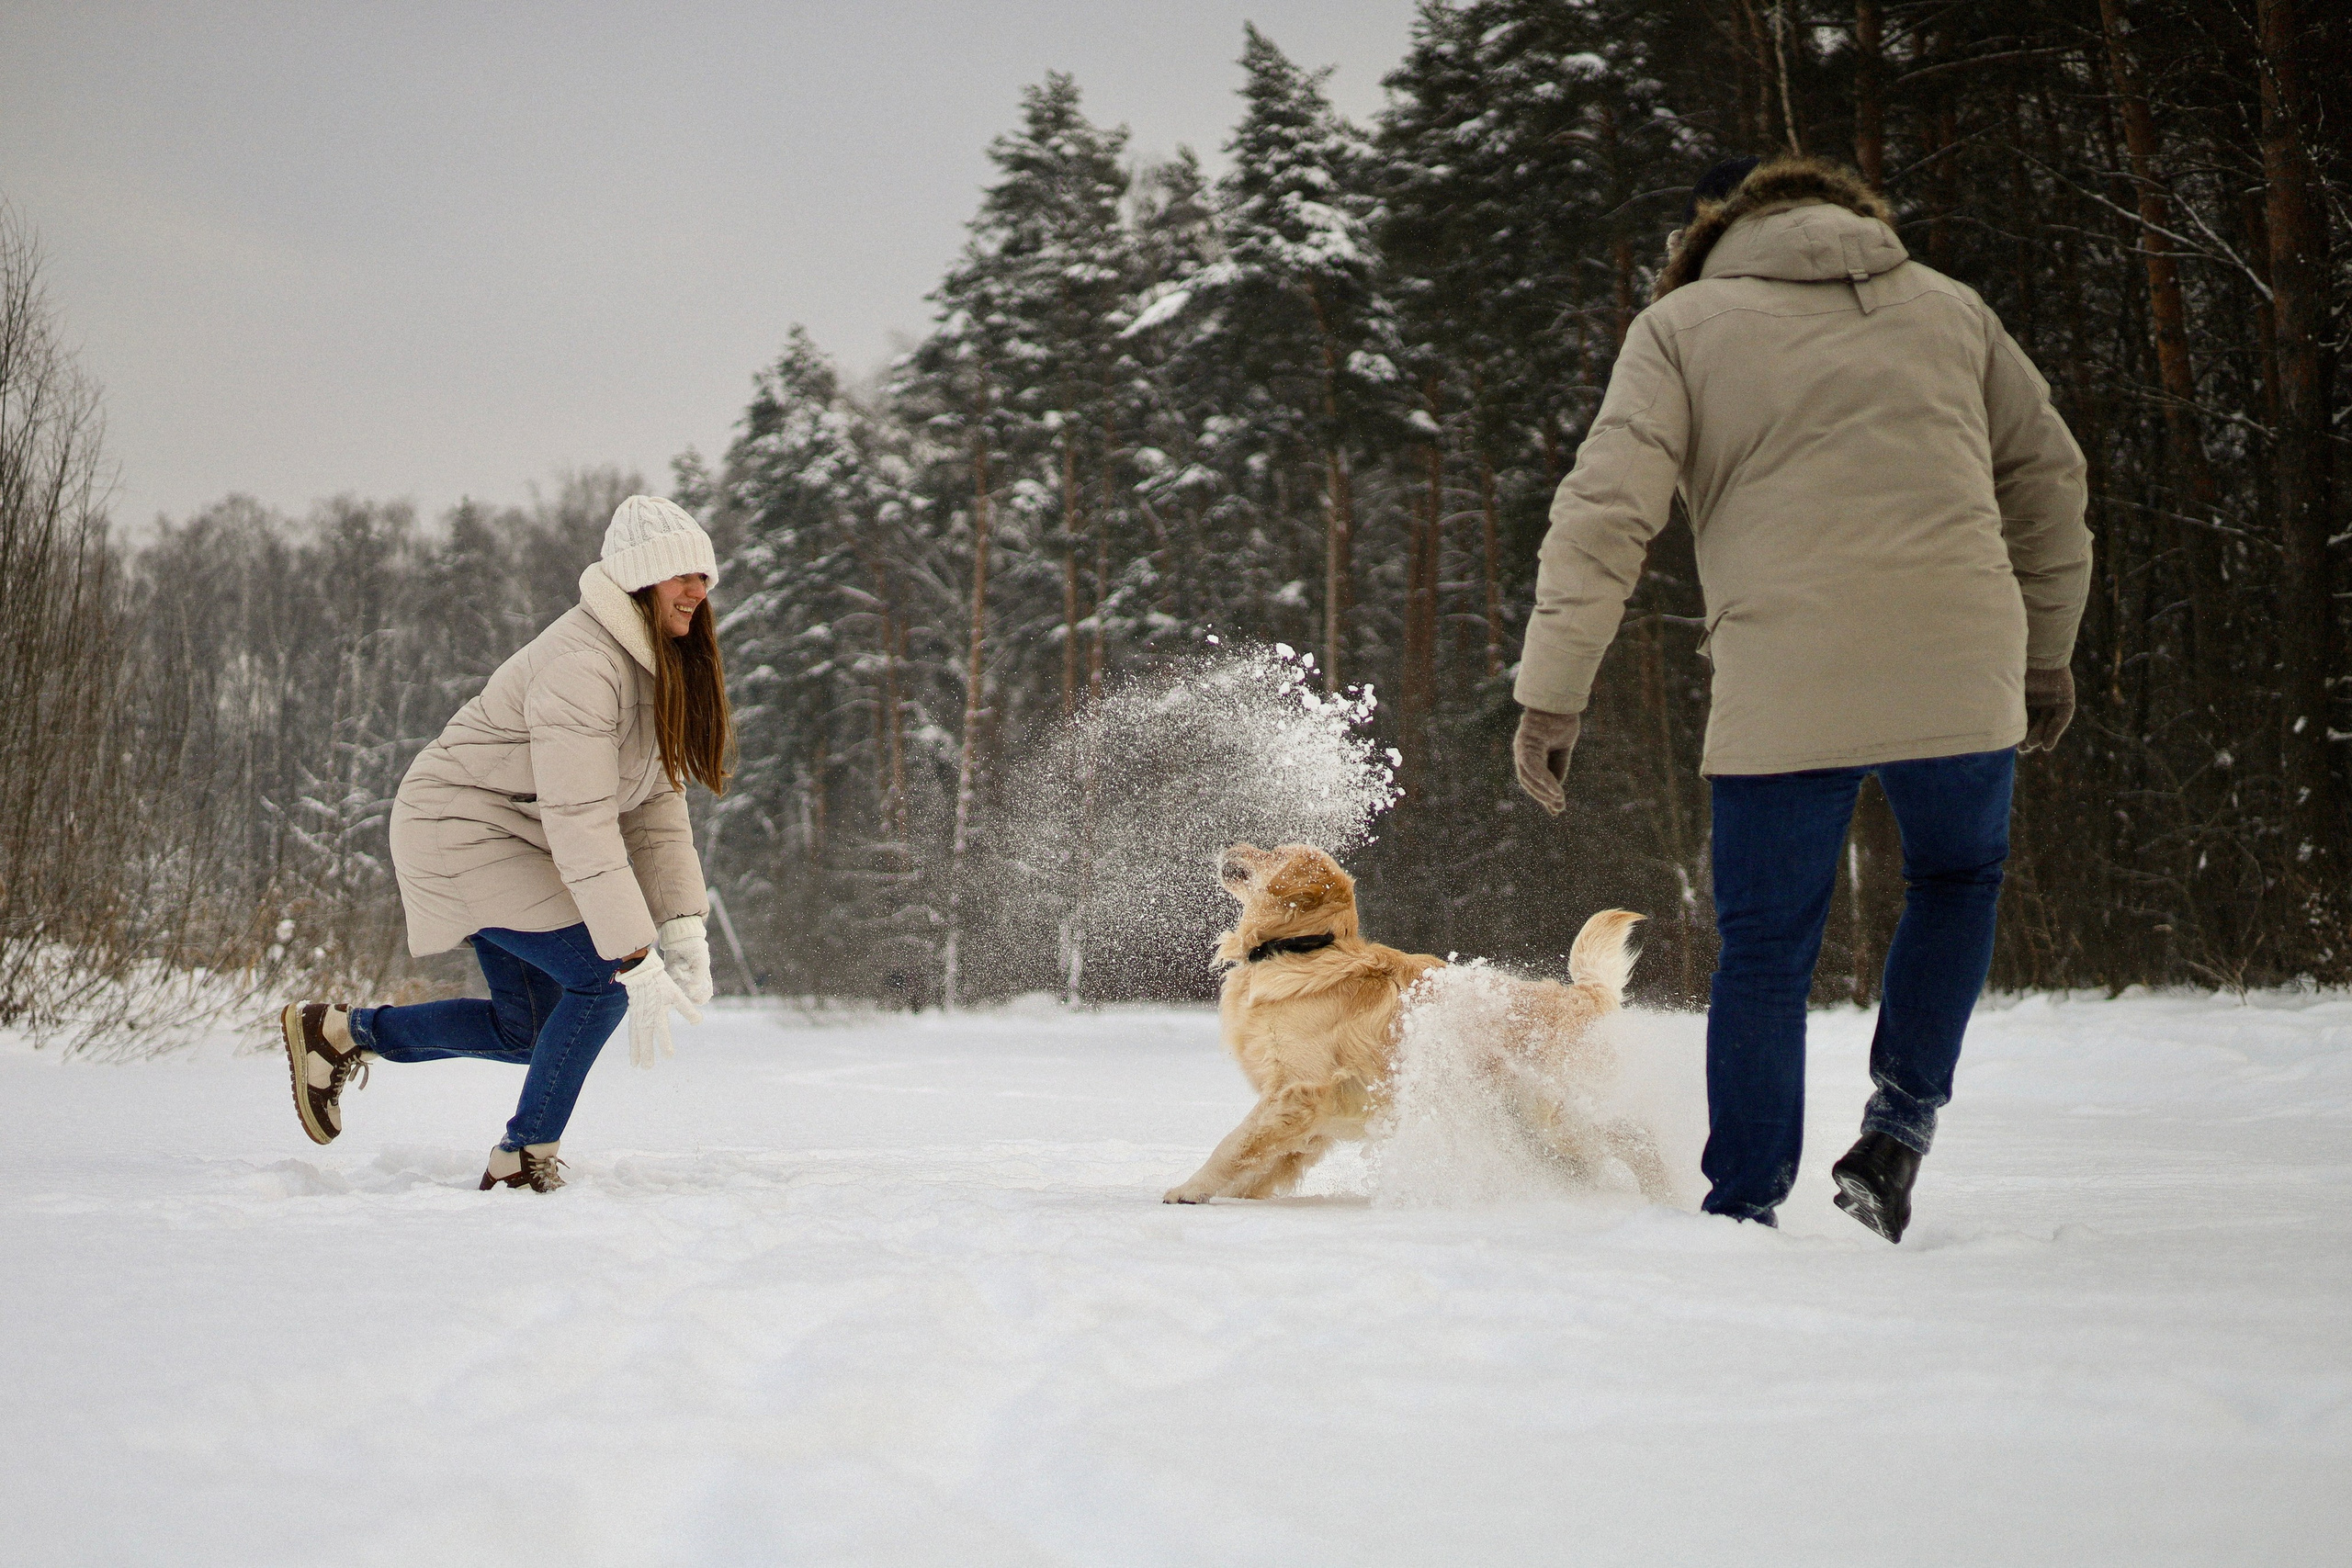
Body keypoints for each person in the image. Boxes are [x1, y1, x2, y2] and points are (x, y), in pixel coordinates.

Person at [1509, 155, 2090, 1240]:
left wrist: (1553, 696)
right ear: (1851, 218)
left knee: (1766, 947)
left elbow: (1602, 514)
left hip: (1785, 678)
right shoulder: (1950, 309)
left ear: (1718, 231)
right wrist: (2046, 649)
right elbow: (2048, 476)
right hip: (1958, 660)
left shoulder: (1682, 326)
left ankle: (1744, 1206)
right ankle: (1898, 1130)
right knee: (1957, 879)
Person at [278, 495, 732, 1193]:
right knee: (605, 977)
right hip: (459, 827)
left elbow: (653, 806)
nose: (699, 591)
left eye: (705, 575)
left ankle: (341, 1032)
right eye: (683, 575)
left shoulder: (653, 667)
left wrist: (683, 928)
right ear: (641, 580)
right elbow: (582, 820)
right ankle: (523, 1155)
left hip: (517, 833)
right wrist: (636, 952)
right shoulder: (584, 664)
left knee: (528, 1031)